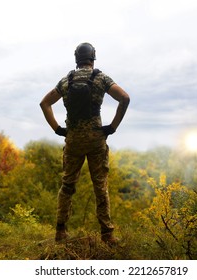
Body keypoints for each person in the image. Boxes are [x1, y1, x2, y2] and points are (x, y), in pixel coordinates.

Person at [40, 42, 130, 245]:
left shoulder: (66, 81)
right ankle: (107, 235)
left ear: (76, 59)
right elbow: (124, 98)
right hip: (96, 140)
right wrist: (112, 127)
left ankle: (61, 232)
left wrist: (57, 129)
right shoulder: (100, 78)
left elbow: (44, 103)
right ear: (93, 58)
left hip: (73, 141)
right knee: (100, 186)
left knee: (67, 185)